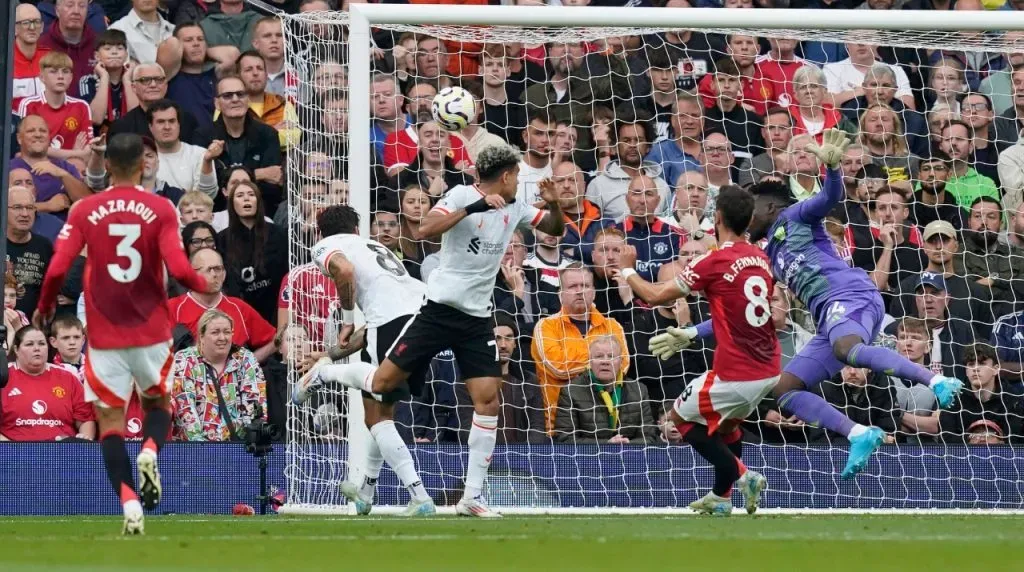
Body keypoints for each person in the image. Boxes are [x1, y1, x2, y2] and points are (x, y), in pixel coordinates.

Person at [298, 144, 566, 518]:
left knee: (487, 399)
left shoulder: (516, 206)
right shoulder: (460, 195)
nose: (519, 182)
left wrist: (553, 204)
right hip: (437, 310)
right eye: (517, 176)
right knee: (382, 384)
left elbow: (555, 229)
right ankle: (326, 372)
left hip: (476, 318)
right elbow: (425, 229)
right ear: (505, 177)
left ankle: (471, 497)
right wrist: (474, 208)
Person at [717, 129, 962, 479]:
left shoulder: (795, 216)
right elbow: (743, 307)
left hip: (851, 296)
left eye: (750, 211)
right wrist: (692, 331)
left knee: (848, 348)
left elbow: (829, 197)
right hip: (829, 319)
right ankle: (859, 434)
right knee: (784, 389)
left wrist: (831, 169)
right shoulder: (767, 252)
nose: (746, 219)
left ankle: (936, 382)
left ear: (770, 206)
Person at [33, 132, 209, 535]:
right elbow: (181, 271)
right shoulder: (161, 208)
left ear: (107, 165)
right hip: (151, 330)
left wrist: (44, 307)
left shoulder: (84, 209)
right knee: (158, 406)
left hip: (104, 334)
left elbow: (58, 268)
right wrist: (204, 280)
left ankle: (130, 504)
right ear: (144, 164)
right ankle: (149, 450)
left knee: (109, 425)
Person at [617, 185, 777, 516]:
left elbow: (654, 296)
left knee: (680, 417)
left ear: (716, 218)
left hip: (736, 372)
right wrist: (691, 332)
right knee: (728, 426)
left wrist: (628, 269)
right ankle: (721, 496)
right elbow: (733, 314)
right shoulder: (761, 258)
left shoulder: (713, 261)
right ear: (749, 221)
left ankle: (744, 476)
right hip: (769, 369)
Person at [294, 204, 436, 517]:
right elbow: (372, 326)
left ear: (320, 233)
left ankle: (420, 496)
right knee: (381, 415)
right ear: (358, 229)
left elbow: (344, 272)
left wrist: (345, 319)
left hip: (392, 324)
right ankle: (366, 493)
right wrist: (330, 353)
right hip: (427, 318)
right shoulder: (374, 246)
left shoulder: (327, 246)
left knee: (375, 419)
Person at [170, 309, 267, 441]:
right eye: (215, 332)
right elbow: (185, 414)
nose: (222, 338)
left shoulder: (245, 359)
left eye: (227, 332)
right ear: (201, 336)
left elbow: (255, 405)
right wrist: (209, 454)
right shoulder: (184, 360)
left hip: (239, 450)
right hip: (194, 452)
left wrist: (248, 445)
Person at [0, 325, 95, 442]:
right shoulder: (3, 378)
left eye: (41, 344)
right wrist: (12, 452)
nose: (37, 348)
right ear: (16, 349)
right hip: (14, 455)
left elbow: (85, 420)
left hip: (62, 453)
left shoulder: (68, 378)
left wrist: (84, 441)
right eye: (29, 344)